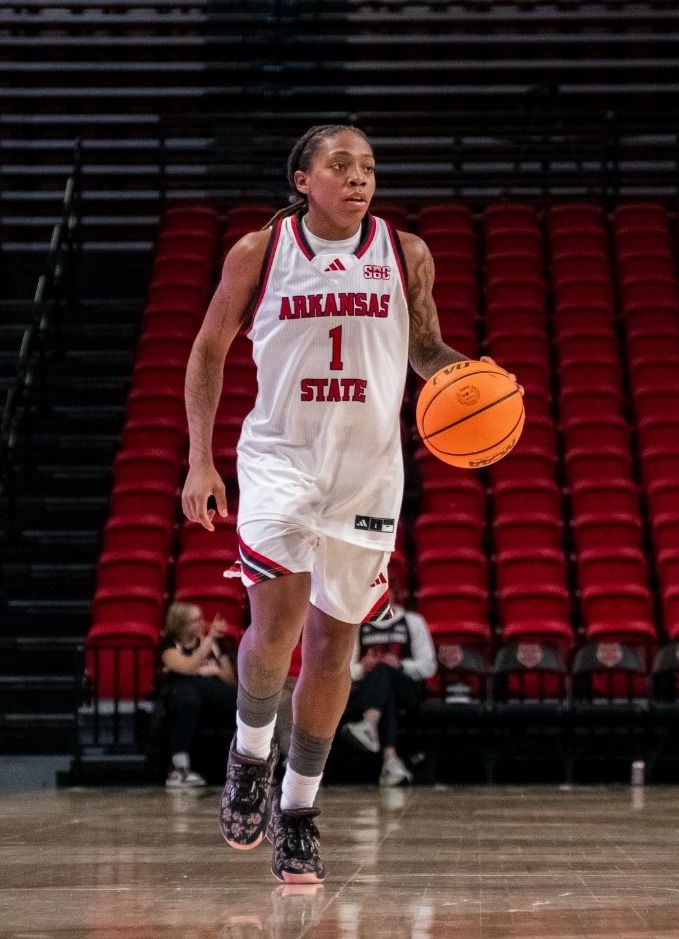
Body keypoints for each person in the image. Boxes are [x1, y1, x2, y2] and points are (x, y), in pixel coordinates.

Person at [182, 124, 507, 883]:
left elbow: (425, 348)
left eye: (368, 166)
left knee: (333, 647)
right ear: (303, 179)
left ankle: (298, 811)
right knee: (277, 624)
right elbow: (207, 349)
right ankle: (249, 755)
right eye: (341, 165)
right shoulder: (260, 252)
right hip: (280, 462)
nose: (359, 178)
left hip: (368, 474)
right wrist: (199, 458)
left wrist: (474, 381)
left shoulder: (406, 252)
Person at [338, 582, 434, 788]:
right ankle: (390, 761)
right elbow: (345, 669)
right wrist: (362, 668)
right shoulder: (359, 624)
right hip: (371, 692)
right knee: (386, 690)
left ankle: (369, 726)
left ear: (394, 592)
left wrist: (401, 665)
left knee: (385, 672)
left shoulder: (413, 621)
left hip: (408, 689)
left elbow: (429, 666)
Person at [159, 602, 237, 789]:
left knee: (244, 703)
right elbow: (187, 667)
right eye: (195, 620)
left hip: (212, 694)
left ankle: (250, 766)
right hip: (183, 698)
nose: (202, 623)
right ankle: (178, 768)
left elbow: (230, 680)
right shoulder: (169, 646)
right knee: (188, 698)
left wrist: (216, 671)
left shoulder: (216, 645)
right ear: (180, 624)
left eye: (201, 619)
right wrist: (208, 643)